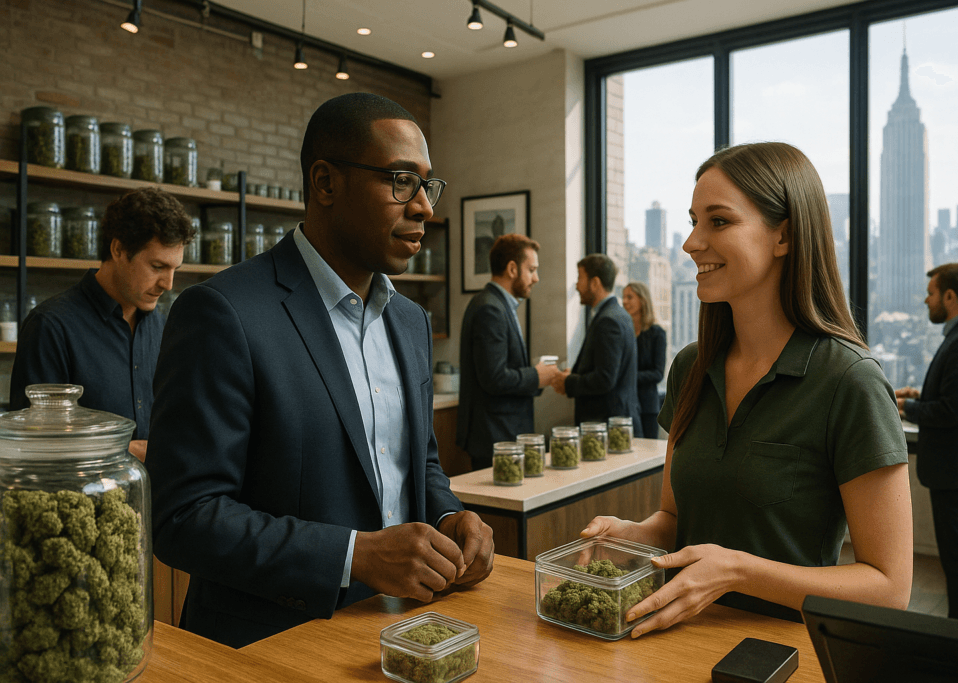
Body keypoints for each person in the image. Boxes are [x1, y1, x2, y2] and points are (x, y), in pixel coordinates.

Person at [146, 93, 494, 648]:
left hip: (404, 633)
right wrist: (354, 555)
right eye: (401, 181)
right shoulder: (223, 313)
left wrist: (451, 517)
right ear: (326, 183)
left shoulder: (410, 321)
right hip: (273, 648)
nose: (424, 207)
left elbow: (418, 465)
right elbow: (184, 518)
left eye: (427, 185)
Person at [581, 142, 913, 636]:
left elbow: (890, 589)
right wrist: (631, 535)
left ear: (784, 235)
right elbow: (674, 521)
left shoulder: (850, 381)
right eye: (693, 221)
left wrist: (737, 571)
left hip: (788, 656)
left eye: (718, 221)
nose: (691, 243)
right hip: (675, 645)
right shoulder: (689, 368)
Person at [10, 187, 195, 462]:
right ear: (118, 249)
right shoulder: (50, 327)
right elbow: (32, 443)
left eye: (174, 270)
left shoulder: (162, 327)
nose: (168, 284)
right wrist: (121, 450)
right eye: (157, 267)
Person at [895, 263, 958, 623]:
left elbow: (952, 410)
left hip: (955, 471)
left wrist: (907, 408)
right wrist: (919, 396)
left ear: (950, 296)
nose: (927, 300)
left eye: (931, 293)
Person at [456, 233, 561, 470]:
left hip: (500, 435)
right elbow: (494, 377)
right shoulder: (490, 309)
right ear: (512, 269)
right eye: (531, 270)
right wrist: (536, 376)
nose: (536, 278)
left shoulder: (497, 304)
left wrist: (537, 375)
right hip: (495, 438)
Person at [551, 254, 642, 428]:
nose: (576, 286)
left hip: (607, 426)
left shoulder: (608, 320)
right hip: (613, 422)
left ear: (595, 283)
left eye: (580, 278)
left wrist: (568, 382)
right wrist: (575, 374)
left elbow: (605, 379)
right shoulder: (617, 315)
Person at [622, 282, 667, 438]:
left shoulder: (657, 333)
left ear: (642, 300)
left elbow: (658, 373)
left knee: (648, 448)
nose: (624, 301)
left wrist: (629, 376)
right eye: (623, 297)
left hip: (647, 405)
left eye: (629, 297)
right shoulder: (623, 332)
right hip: (624, 405)